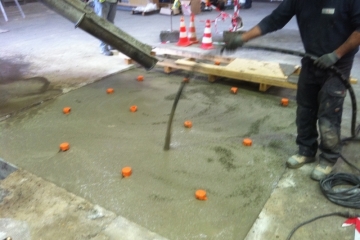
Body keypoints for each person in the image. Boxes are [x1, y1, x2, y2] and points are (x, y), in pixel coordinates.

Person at [224, 0, 360, 181]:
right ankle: (306, 150)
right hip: (310, 61)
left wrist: (336, 54)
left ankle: (328, 158)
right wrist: (242, 38)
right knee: (305, 109)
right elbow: (274, 20)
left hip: (337, 65)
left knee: (328, 114)